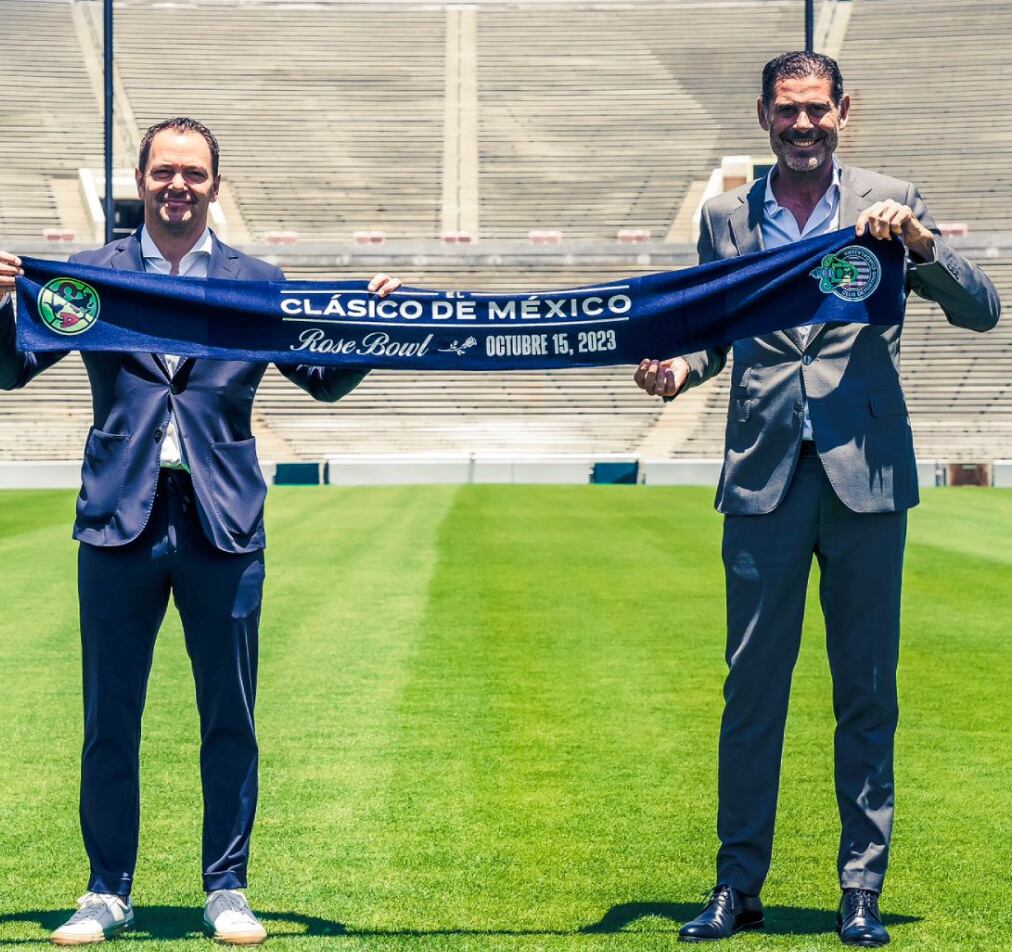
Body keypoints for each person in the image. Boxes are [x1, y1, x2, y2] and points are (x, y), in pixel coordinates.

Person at [0, 117, 401, 946]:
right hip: (119, 522)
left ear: (216, 186)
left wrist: (368, 325)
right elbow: (9, 369)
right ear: (139, 181)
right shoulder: (88, 277)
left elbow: (321, 380)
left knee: (231, 716)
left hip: (223, 521)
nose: (177, 186)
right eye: (163, 172)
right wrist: (2, 310)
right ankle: (106, 890)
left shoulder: (258, 281)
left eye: (194, 174)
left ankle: (228, 889)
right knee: (110, 716)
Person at [634, 53, 1000, 946]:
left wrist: (921, 244)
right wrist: (681, 367)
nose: (803, 126)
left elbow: (983, 311)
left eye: (817, 111)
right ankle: (735, 884)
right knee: (751, 688)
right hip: (763, 473)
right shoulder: (727, 216)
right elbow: (712, 331)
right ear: (763, 115)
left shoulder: (891, 198)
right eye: (787, 112)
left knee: (866, 691)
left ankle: (861, 890)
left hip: (865, 472)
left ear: (844, 111)